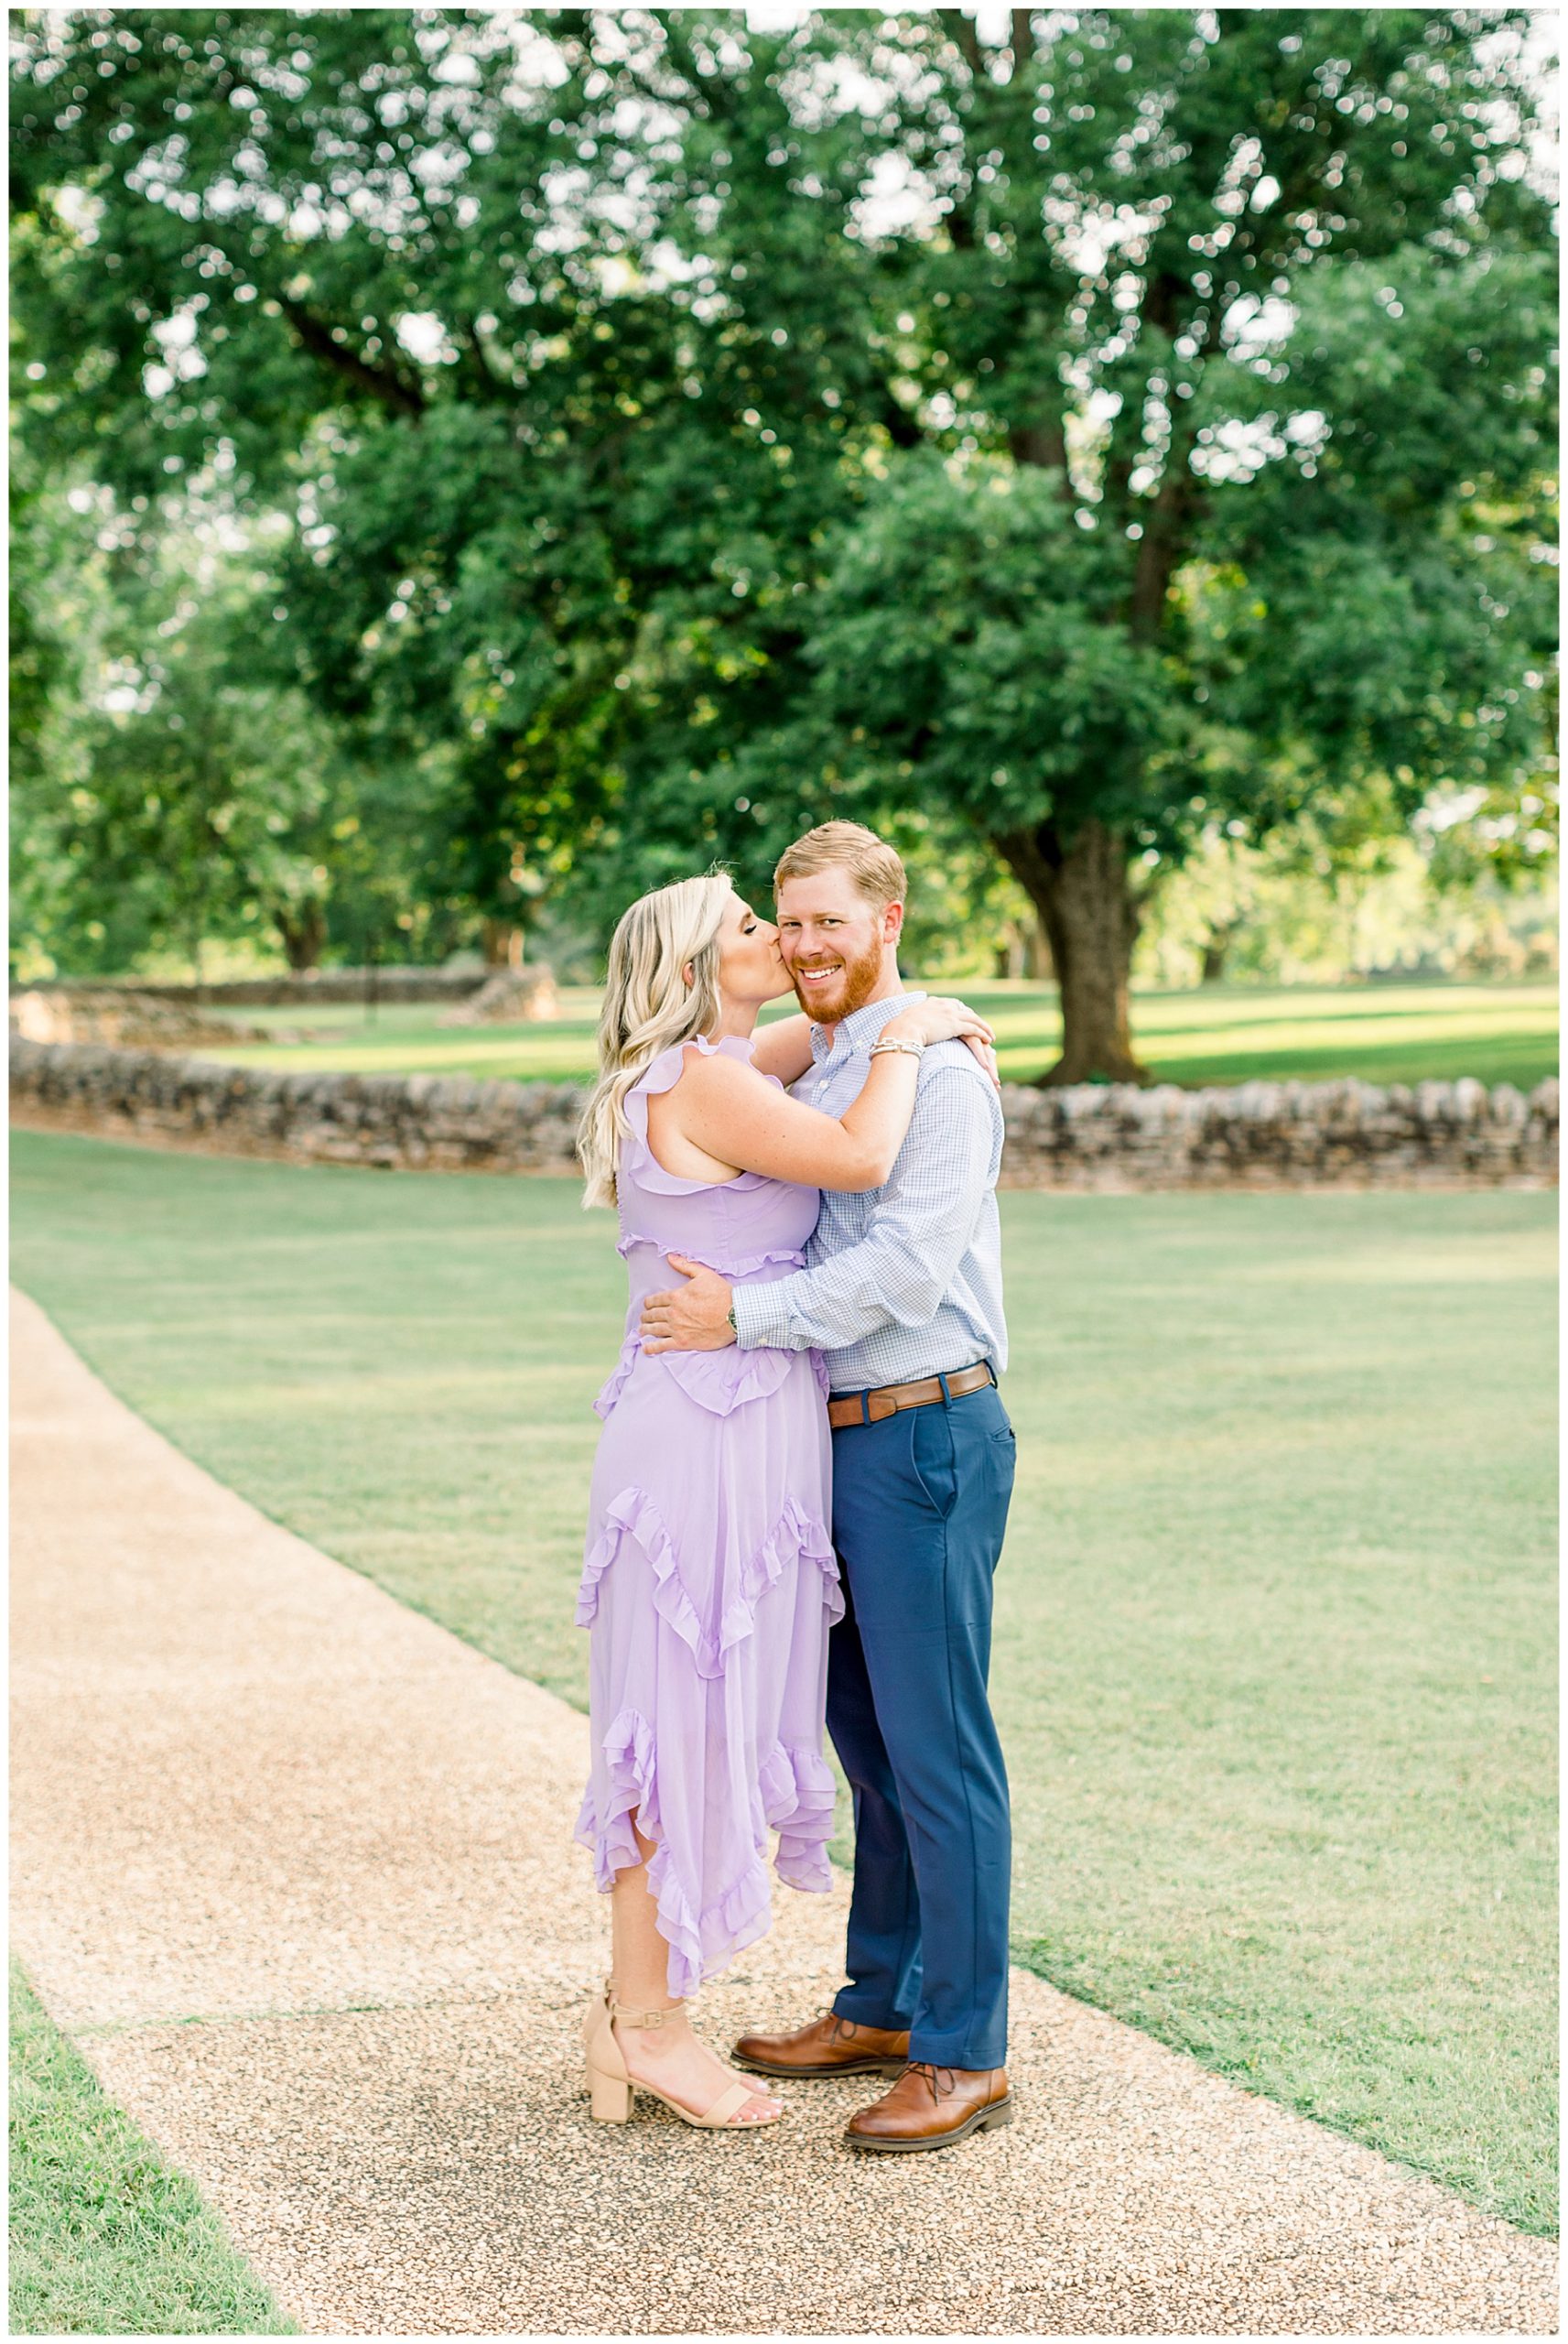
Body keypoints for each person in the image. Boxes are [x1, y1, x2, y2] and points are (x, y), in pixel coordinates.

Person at [574, 869, 995, 2132]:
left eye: (805, 919)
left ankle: (930, 2034)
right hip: (711, 1429)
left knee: (872, 1738)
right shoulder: (707, 1078)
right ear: (706, 965)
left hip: (804, 1425)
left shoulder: (725, 1057)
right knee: (692, 1716)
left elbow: (832, 1026)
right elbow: (858, 1145)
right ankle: (649, 2024)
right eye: (760, 924)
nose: (785, 940)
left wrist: (908, 1010)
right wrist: (911, 1030)